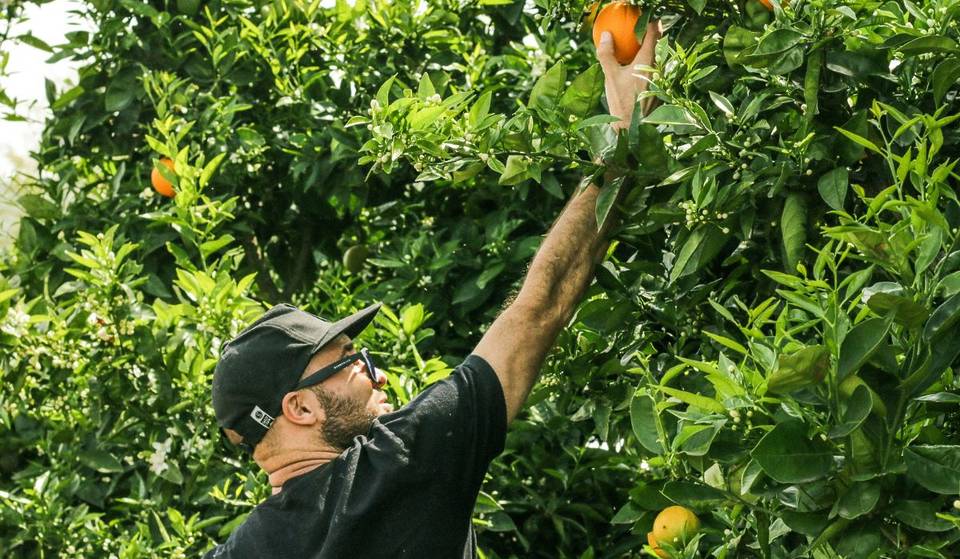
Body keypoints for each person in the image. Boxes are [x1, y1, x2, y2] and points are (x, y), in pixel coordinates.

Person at [203, 25, 661, 559]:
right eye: (355, 364)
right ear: (301, 407)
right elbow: (539, 309)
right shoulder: (394, 468)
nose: (381, 376)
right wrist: (623, 142)